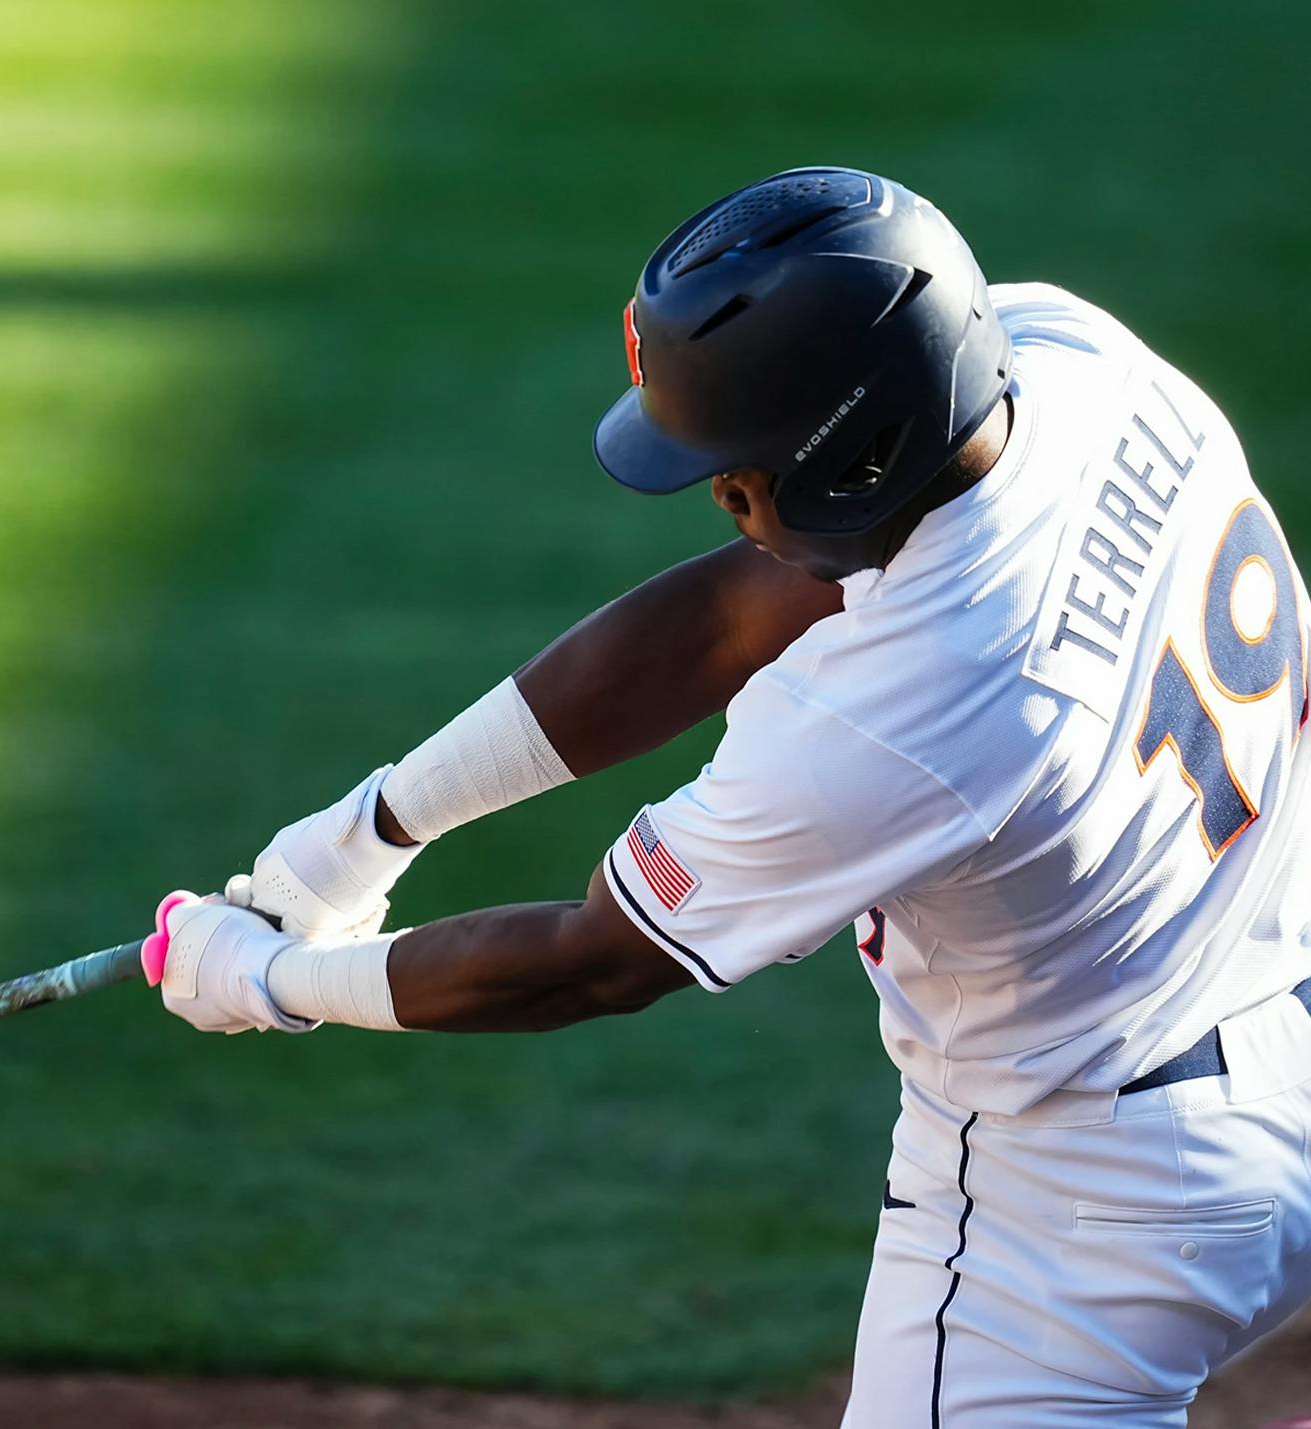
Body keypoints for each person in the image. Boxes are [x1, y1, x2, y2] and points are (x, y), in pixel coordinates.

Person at [153, 167, 1311, 1425]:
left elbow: (587, 961)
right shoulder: (1069, 363)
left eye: (737, 469)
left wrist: (268, 983)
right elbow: (721, 618)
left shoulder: (900, 710)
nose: (719, 494)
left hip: (1088, 1211)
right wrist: (371, 825)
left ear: (853, 456)